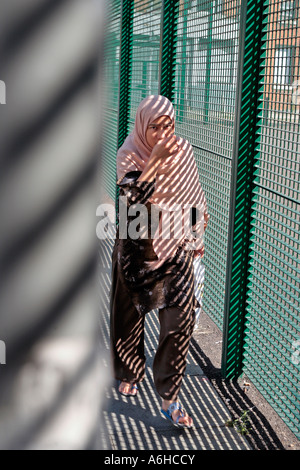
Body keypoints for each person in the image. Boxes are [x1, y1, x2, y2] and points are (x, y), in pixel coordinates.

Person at [110, 95, 209, 428]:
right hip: (138, 247)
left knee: (178, 322)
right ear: (142, 126)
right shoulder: (129, 153)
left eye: (169, 125)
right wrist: (153, 160)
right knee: (130, 315)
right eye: (156, 127)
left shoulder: (184, 151)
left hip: (177, 245)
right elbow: (132, 203)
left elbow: (193, 195)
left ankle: (169, 397)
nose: (165, 134)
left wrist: (196, 235)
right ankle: (130, 370)